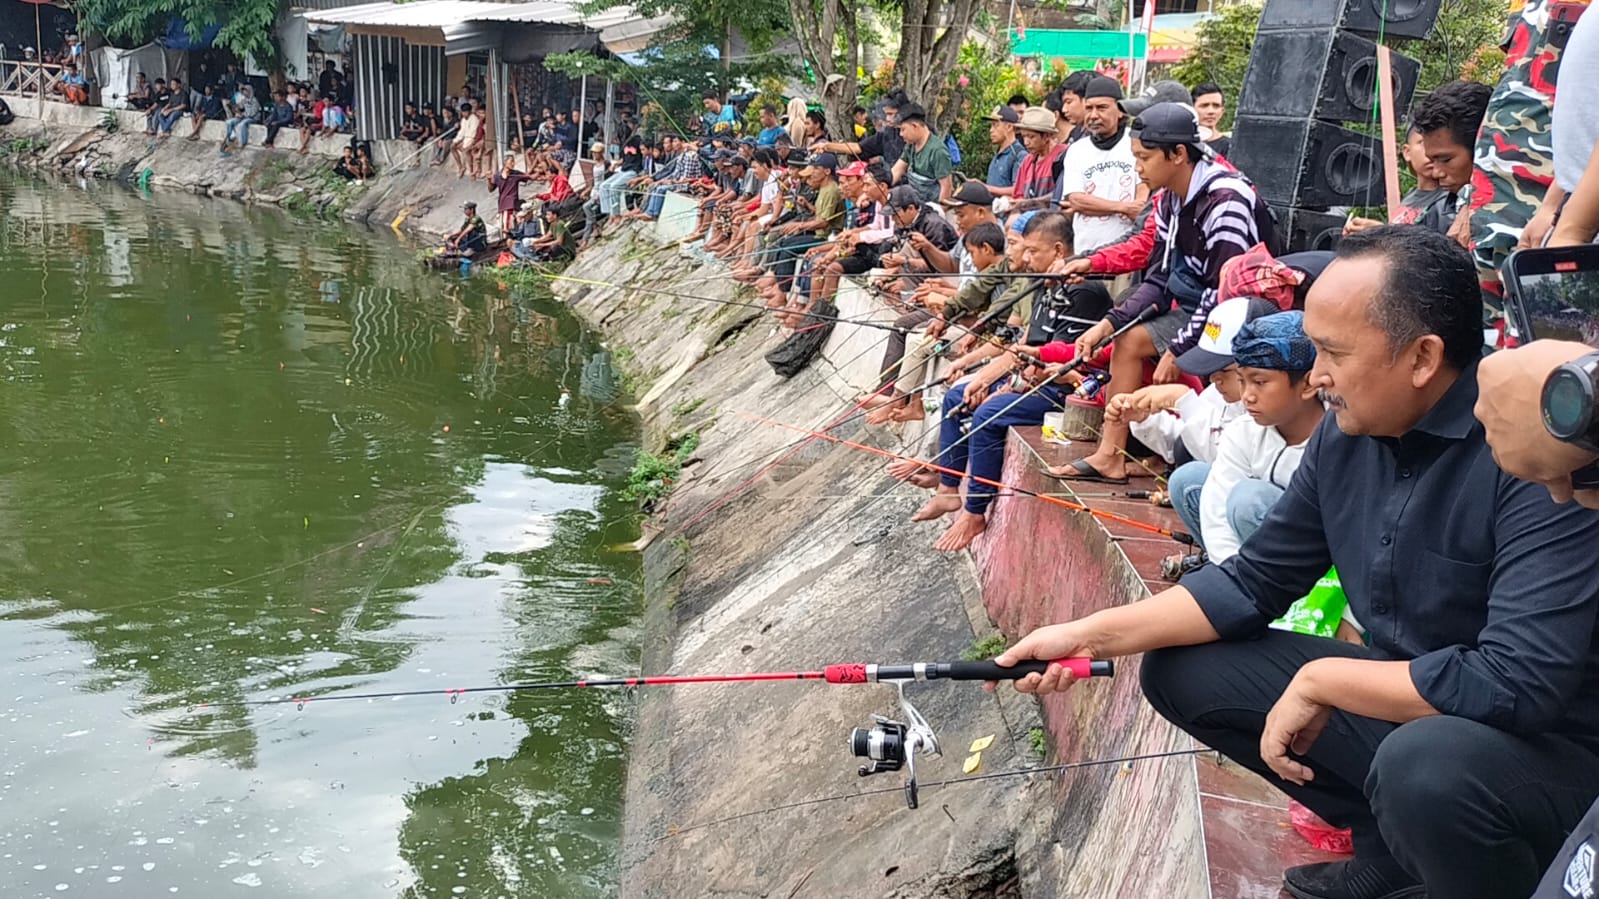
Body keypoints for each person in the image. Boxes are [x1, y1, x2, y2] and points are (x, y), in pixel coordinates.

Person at [997, 225, 1599, 899]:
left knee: (1425, 767)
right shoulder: (1349, 436)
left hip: (1551, 749)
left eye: (1333, 353)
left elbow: (1515, 684)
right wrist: (1086, 633)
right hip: (1431, 705)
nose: (1314, 376)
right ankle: (1394, 850)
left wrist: (1324, 679)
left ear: (1422, 357)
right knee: (1182, 666)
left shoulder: (1528, 456)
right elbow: (1253, 581)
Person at [1056, 102, 1274, 484]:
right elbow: (1158, 279)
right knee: (1127, 341)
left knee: (1192, 364)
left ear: (1177, 154)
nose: (1137, 168)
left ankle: (1213, 461)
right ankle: (1110, 454)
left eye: (1143, 157)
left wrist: (1180, 347)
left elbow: (1226, 291)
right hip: (1200, 306)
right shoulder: (1170, 198)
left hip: (1244, 312)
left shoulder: (1226, 201)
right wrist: (1108, 325)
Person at [913, 211, 1111, 551]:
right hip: (1036, 377)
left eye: (1033, 251)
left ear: (1059, 250)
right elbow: (1025, 351)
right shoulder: (1046, 283)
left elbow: (1059, 360)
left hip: (1069, 388)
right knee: (958, 397)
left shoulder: (1084, 290)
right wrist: (986, 380)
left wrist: (1009, 385)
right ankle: (948, 487)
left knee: (988, 415)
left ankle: (975, 511)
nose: (1026, 258)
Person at [1193, 311, 1325, 562]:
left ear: (1308, 385)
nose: (1247, 396)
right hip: (1252, 561)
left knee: (1248, 499)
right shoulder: (1243, 430)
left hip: (1311, 558)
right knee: (1189, 481)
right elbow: (1217, 513)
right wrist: (1231, 580)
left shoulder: (1340, 438)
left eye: (1260, 382)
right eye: (1242, 381)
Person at [1057, 75, 1144, 254]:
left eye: (1102, 108)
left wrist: (1093, 205)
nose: (1094, 115)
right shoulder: (1076, 150)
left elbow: (1141, 205)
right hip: (1086, 254)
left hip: (1126, 254)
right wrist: (1122, 207)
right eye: (1089, 108)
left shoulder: (1136, 143)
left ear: (1121, 110)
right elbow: (1076, 200)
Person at [1406, 79, 1491, 240]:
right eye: (1431, 159)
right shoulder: (1436, 215)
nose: (1436, 173)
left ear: (1481, 148)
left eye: (1445, 160)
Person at [1009, 106, 1067, 213]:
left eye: (1031, 137)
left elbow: (1064, 194)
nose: (1026, 142)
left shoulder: (1064, 156)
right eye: (1024, 136)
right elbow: (1019, 195)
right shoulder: (1027, 162)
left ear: (1046, 136)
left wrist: (1029, 203)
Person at [892, 103, 953, 204]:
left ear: (915, 126)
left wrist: (940, 211)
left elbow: (946, 186)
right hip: (916, 204)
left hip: (934, 206)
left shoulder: (938, 151)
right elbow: (897, 170)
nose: (901, 134)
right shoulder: (910, 145)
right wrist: (883, 185)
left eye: (903, 129)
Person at [982, 106, 1026, 197]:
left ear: (1009, 127)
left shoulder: (1018, 155)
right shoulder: (998, 155)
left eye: (995, 125)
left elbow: (1018, 189)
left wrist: (987, 188)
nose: (991, 130)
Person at [490, 155, 532, 233]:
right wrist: (489, 179)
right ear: (505, 163)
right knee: (505, 227)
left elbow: (529, 177)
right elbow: (491, 189)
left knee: (510, 227)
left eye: (513, 162)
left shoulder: (516, 174)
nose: (513, 164)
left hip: (512, 203)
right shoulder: (497, 175)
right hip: (502, 204)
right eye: (511, 161)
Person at [1191, 81, 1230, 157]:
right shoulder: (1184, 144)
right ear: (1192, 109)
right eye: (1204, 106)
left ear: (1222, 111)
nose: (1210, 111)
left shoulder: (1230, 147)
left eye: (1216, 106)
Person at [222, 85, 259, 155]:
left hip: (252, 118)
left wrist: (242, 115)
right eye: (243, 91)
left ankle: (243, 142)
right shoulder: (244, 100)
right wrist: (231, 105)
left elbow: (253, 113)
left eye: (246, 91)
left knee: (242, 124)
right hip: (244, 116)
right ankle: (231, 137)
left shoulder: (254, 101)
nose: (244, 92)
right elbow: (238, 107)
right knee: (230, 122)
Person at [454, 102, 486, 179]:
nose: (464, 114)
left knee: (467, 150)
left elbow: (473, 134)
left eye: (465, 112)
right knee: (454, 146)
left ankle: (472, 171)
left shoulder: (475, 119)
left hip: (475, 140)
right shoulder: (464, 120)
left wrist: (470, 144)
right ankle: (461, 167)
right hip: (470, 139)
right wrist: (457, 140)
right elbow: (462, 132)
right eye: (463, 112)